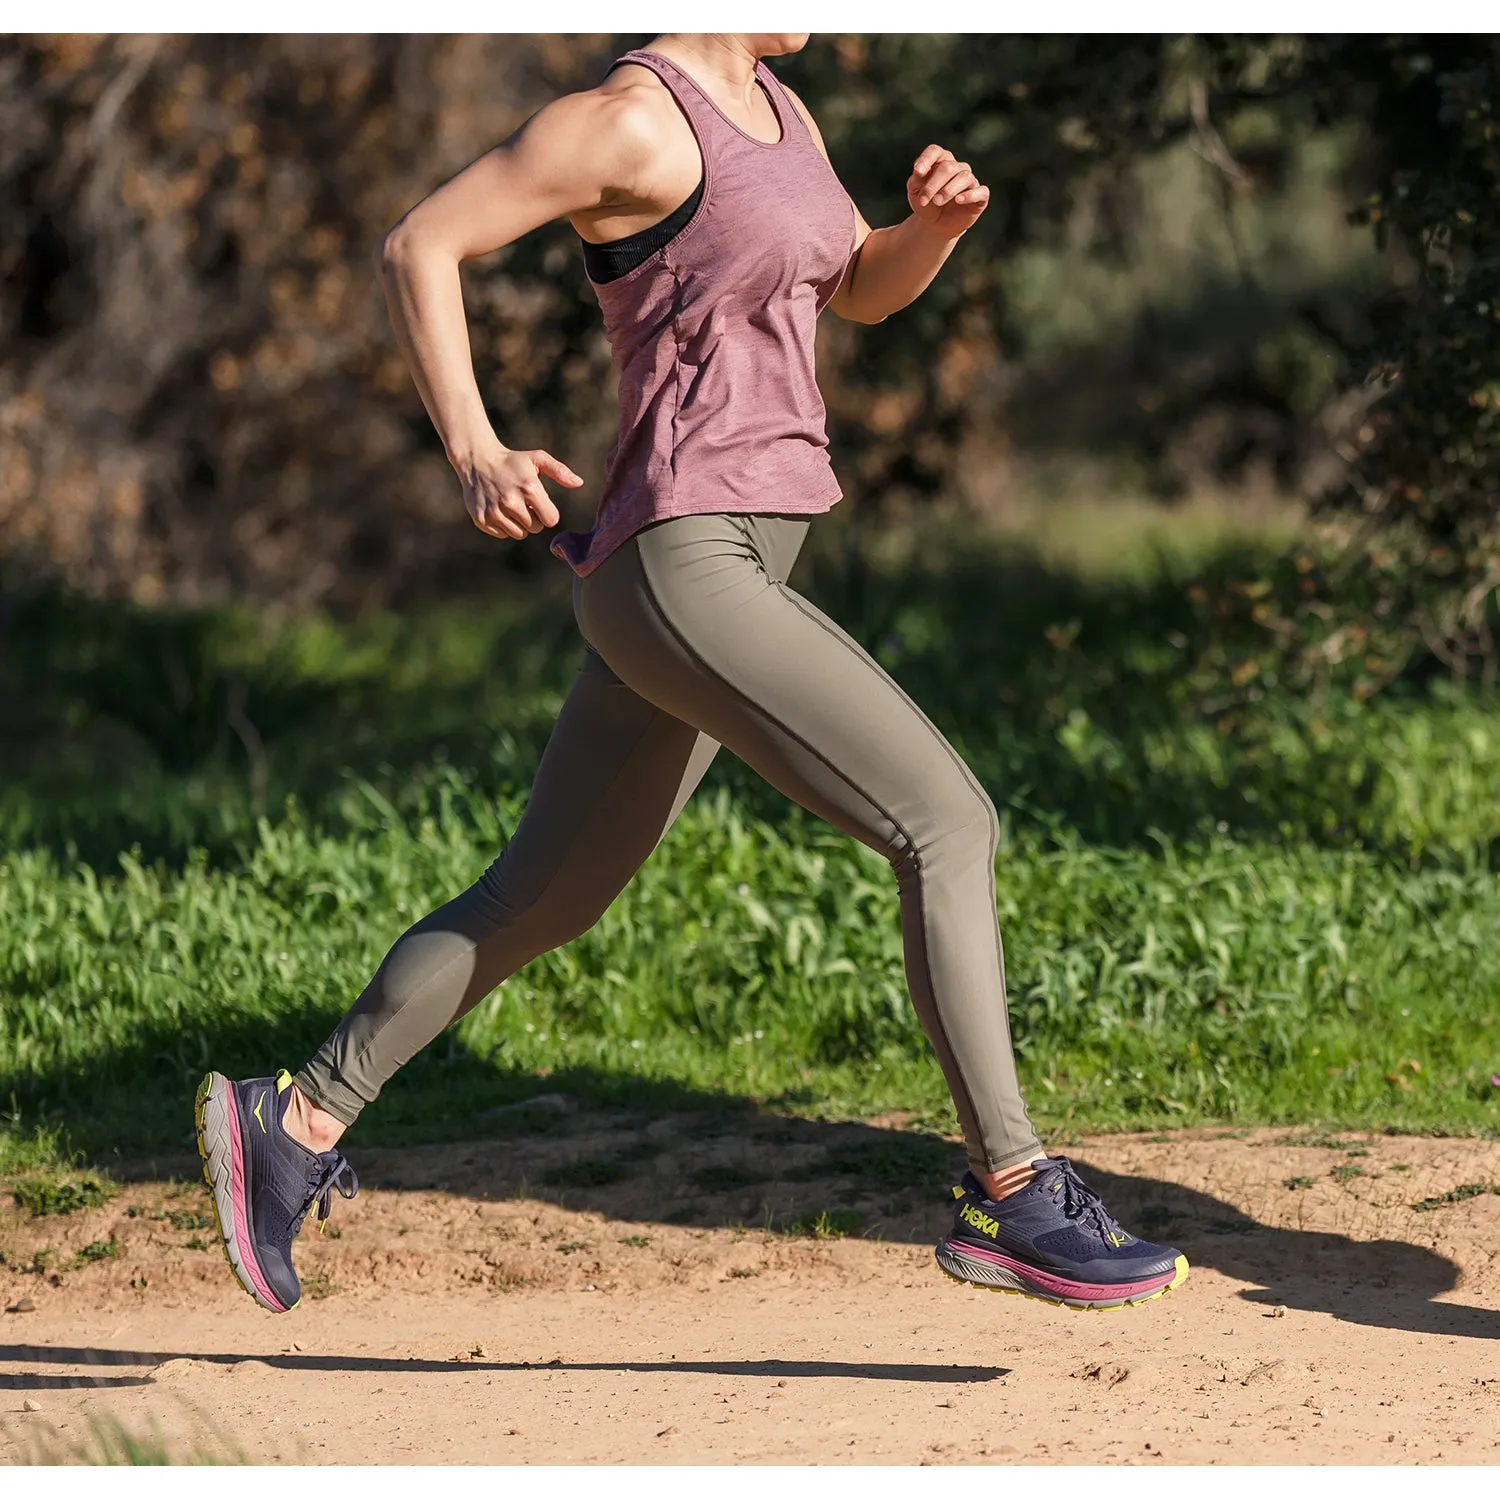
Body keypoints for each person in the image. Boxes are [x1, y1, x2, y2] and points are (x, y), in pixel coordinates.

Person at [194, 32, 1188, 1316]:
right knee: (947, 823)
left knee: (540, 898)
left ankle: (295, 1121)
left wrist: (930, 230)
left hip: (721, 567)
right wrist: (475, 451)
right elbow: (418, 244)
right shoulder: (625, 123)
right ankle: (1014, 1194)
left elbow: (856, 290)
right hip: (685, 559)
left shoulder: (779, 107)